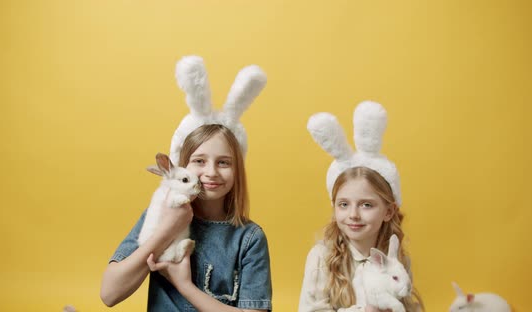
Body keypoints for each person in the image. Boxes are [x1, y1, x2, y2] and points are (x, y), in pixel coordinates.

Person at [100, 56, 272, 311]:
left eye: (224, 162)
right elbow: (109, 293)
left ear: (238, 170)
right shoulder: (159, 216)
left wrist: (185, 286)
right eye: (199, 161)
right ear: (181, 167)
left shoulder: (248, 238)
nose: (211, 172)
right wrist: (167, 230)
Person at [299, 101, 424, 312]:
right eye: (344, 204)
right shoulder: (322, 257)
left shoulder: (397, 259)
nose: (353, 215)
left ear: (389, 211)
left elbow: (406, 303)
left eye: (366, 205)